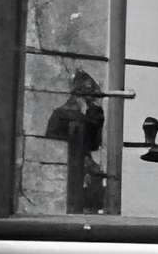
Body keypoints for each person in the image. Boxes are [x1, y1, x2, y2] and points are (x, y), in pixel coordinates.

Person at [45, 69, 111, 212]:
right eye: (88, 94)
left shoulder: (87, 115)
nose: (91, 99)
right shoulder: (62, 115)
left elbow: (94, 143)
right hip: (66, 173)